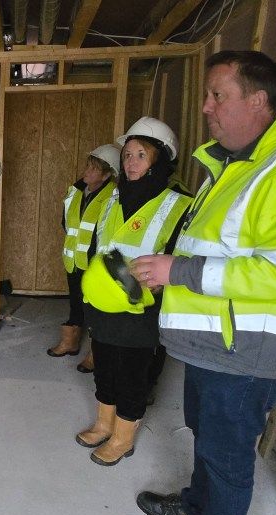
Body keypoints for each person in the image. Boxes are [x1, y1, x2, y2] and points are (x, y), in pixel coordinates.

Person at [129, 51, 276, 515]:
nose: (205, 107)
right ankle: (196, 509)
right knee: (208, 436)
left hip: (249, 351)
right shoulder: (232, 168)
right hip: (216, 346)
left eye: (217, 95)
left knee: (227, 458)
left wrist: (178, 271)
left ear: (259, 101)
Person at [77, 118, 190, 467]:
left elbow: (181, 258)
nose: (130, 162)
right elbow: (101, 246)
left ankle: (123, 438)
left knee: (132, 374)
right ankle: (103, 423)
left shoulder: (178, 203)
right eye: (127, 155)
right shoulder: (113, 198)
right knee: (105, 366)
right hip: (105, 303)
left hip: (143, 309)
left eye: (141, 155)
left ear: (160, 160)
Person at [46, 144, 121, 366]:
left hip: (96, 265)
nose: (86, 171)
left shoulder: (113, 197)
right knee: (76, 304)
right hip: (74, 261)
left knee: (96, 310)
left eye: (94, 169)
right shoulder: (77, 192)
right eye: (87, 166)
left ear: (107, 175)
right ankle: (70, 342)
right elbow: (66, 222)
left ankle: (94, 354)